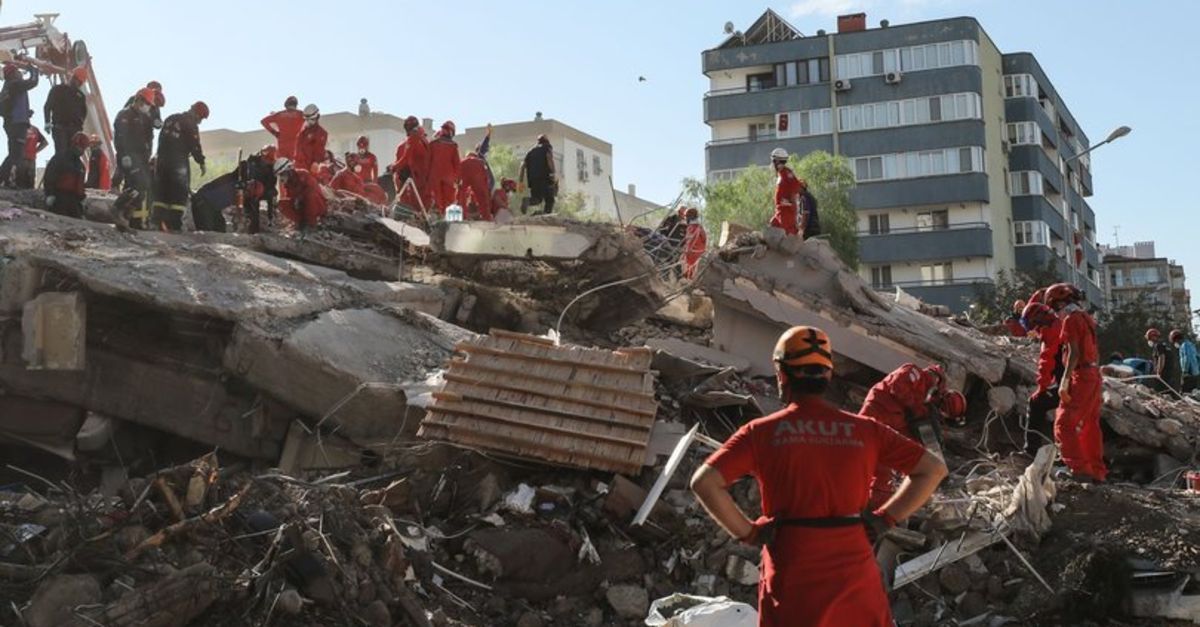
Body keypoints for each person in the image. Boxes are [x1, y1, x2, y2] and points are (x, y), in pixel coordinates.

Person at [690, 326, 947, 627]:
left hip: (792, 570)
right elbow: (933, 469)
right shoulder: (865, 430)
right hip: (855, 571)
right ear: (827, 376)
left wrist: (751, 532)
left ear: (781, 374)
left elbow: (705, 482)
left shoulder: (761, 433)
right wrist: (884, 519)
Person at [859, 363, 965, 508]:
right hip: (878, 411)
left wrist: (933, 466)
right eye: (942, 406)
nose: (938, 407)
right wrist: (917, 409)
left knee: (883, 470)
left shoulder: (921, 406)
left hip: (892, 422)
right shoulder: (913, 372)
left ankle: (873, 508)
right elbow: (897, 387)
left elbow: (912, 441)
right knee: (857, 450)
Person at [1045, 283, 1106, 482]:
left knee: (1063, 424)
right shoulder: (1086, 318)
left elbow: (1073, 352)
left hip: (1082, 375)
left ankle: (1079, 470)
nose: (1056, 313)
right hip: (1093, 373)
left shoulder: (1071, 320)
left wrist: (1064, 381)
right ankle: (1096, 472)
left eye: (1055, 308)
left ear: (1061, 302)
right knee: (1090, 424)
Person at [152, 101, 209, 232]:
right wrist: (201, 161)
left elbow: (161, 139)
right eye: (201, 118)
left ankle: (157, 222)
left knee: (161, 191)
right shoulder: (190, 124)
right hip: (178, 162)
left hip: (161, 160)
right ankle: (174, 225)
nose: (200, 122)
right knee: (179, 192)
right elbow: (194, 145)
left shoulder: (171, 118)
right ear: (197, 114)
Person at [1021, 301, 1064, 456]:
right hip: (1076, 381)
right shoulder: (1061, 324)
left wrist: (1042, 388)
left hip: (1069, 384)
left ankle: (1030, 450)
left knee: (1035, 403)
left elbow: (1046, 362)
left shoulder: (1050, 332)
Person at [112, 89, 156, 229]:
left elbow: (149, 139)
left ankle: (125, 218)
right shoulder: (125, 115)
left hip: (140, 158)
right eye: (146, 103)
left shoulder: (145, 118)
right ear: (138, 100)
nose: (147, 106)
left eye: (149, 104)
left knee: (143, 188)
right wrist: (124, 155)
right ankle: (117, 208)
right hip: (128, 157)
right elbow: (120, 137)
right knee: (138, 184)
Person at [0, 60, 38, 186]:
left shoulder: (8, 87)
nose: (20, 73)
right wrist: (33, 70)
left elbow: (12, 106)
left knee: (14, 153)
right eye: (17, 71)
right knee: (17, 154)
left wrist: (26, 113)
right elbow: (33, 82)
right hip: (17, 124)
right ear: (13, 73)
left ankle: (4, 179)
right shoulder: (15, 84)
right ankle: (6, 179)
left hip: (12, 123)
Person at [42, 131, 90, 218]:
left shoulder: (80, 166)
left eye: (83, 148)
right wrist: (50, 194)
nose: (81, 150)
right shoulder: (60, 158)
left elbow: (80, 186)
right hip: (59, 197)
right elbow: (49, 176)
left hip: (74, 200)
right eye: (80, 147)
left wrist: (82, 199)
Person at [44, 66, 88, 156]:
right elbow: (47, 106)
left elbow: (83, 113)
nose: (77, 83)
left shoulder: (80, 96)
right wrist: (47, 122)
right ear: (72, 77)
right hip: (60, 127)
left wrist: (79, 126)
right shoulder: (58, 89)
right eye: (76, 79)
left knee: (74, 155)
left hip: (74, 129)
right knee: (62, 154)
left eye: (79, 82)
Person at [276, 158, 327, 233]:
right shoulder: (287, 184)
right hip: (302, 206)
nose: (281, 178)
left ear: (288, 171)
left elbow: (313, 190)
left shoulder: (303, 174)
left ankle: (311, 224)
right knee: (281, 203)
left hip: (317, 205)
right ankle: (301, 222)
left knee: (310, 195)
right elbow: (290, 198)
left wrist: (299, 198)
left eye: (282, 174)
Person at [236, 145, 278, 233]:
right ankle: (249, 224)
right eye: (265, 160)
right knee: (251, 204)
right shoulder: (251, 161)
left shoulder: (272, 169)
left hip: (264, 189)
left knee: (272, 194)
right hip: (251, 188)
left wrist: (263, 190)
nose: (266, 163)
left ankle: (271, 219)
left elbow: (272, 184)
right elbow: (243, 176)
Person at [391, 116, 430, 210]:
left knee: (411, 203)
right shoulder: (424, 138)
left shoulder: (413, 138)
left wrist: (393, 167)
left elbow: (406, 158)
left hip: (416, 176)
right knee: (423, 203)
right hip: (425, 176)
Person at [427, 120, 461, 214]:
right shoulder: (453, 146)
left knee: (436, 203)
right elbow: (457, 164)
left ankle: (436, 223)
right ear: (451, 132)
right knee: (450, 203)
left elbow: (427, 162)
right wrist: (457, 178)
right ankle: (451, 225)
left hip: (434, 178)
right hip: (449, 178)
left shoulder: (432, 144)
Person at [769, 147, 804, 236]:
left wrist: (790, 202)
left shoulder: (788, 175)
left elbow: (796, 189)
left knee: (787, 237)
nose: (772, 164)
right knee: (772, 226)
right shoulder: (781, 175)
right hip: (779, 212)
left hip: (786, 214)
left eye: (773, 161)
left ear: (777, 161)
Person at [519, 134, 557, 215]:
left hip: (533, 180)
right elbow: (549, 159)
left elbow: (522, 166)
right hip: (545, 178)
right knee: (550, 199)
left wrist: (520, 182)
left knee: (537, 199)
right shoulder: (547, 147)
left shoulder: (531, 151)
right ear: (546, 141)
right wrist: (553, 174)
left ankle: (527, 201)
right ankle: (546, 215)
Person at [260, 96, 305, 161]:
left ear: (286, 105)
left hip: (283, 147)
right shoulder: (301, 114)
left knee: (282, 167)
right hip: (296, 147)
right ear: (296, 104)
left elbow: (263, 121)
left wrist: (275, 133)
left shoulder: (279, 114)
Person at [457, 148, 491, 220]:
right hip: (477, 177)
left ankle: (463, 216)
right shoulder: (481, 162)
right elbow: (486, 177)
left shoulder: (462, 161)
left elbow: (458, 176)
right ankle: (486, 217)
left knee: (461, 196)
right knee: (482, 197)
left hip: (465, 176)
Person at [293, 105, 327, 173]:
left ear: (317, 117)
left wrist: (316, 162)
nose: (308, 122)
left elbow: (319, 151)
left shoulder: (321, 133)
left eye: (311, 119)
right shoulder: (302, 131)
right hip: (297, 166)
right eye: (306, 120)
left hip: (309, 169)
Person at [1146, 328, 1181, 394]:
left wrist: (1158, 373)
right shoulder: (1164, 345)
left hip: (1163, 374)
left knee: (1161, 391)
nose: (1148, 340)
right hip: (1170, 373)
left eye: (1148, 338)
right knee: (1168, 391)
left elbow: (1161, 358)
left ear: (1152, 337)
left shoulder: (1158, 346)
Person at [14, 124, 47, 189]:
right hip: (32, 158)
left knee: (20, 183)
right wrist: (35, 151)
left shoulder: (18, 128)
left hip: (21, 158)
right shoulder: (35, 129)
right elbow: (44, 142)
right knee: (30, 182)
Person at [681, 207, 707, 280]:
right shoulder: (700, 227)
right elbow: (704, 239)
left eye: (687, 217)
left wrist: (686, 251)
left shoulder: (691, 227)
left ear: (690, 217)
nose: (686, 219)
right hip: (699, 253)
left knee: (689, 269)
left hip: (692, 253)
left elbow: (690, 241)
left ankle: (687, 280)